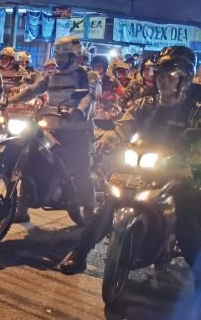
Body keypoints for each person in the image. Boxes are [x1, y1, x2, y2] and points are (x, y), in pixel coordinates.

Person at [60, 46, 201, 278]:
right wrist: (108, 138)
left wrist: (190, 162)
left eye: (169, 77)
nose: (162, 82)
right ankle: (80, 252)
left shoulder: (195, 111)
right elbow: (123, 126)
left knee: (188, 226)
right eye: (160, 76)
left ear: (184, 79)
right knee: (107, 206)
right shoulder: (144, 105)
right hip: (142, 168)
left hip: (179, 174)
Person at [9, 35, 98, 223]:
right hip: (50, 129)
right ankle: (22, 207)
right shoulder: (50, 76)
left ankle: (90, 209)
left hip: (76, 131)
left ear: (74, 56)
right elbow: (33, 89)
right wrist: (12, 101)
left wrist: (79, 111)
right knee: (28, 158)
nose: (59, 60)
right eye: (57, 56)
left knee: (80, 166)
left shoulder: (87, 75)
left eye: (63, 57)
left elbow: (89, 97)